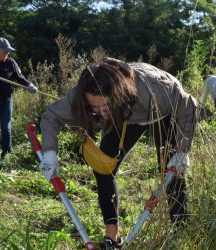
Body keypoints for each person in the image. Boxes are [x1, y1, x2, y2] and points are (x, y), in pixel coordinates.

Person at [39, 58, 198, 249]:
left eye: (104, 107)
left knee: (171, 169)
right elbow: (51, 116)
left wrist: (182, 151)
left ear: (118, 96)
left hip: (163, 112)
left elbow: (188, 107)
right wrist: (49, 153)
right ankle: (112, 237)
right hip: (123, 116)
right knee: (103, 166)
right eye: (94, 108)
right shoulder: (81, 95)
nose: (100, 113)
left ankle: (180, 227)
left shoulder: (157, 90)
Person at [0, 37, 38, 167]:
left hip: (6, 100)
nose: (7, 53)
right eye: (5, 50)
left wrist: (30, 85)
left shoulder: (10, 62)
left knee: (6, 128)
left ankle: (6, 155)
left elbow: (20, 78)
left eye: (8, 51)